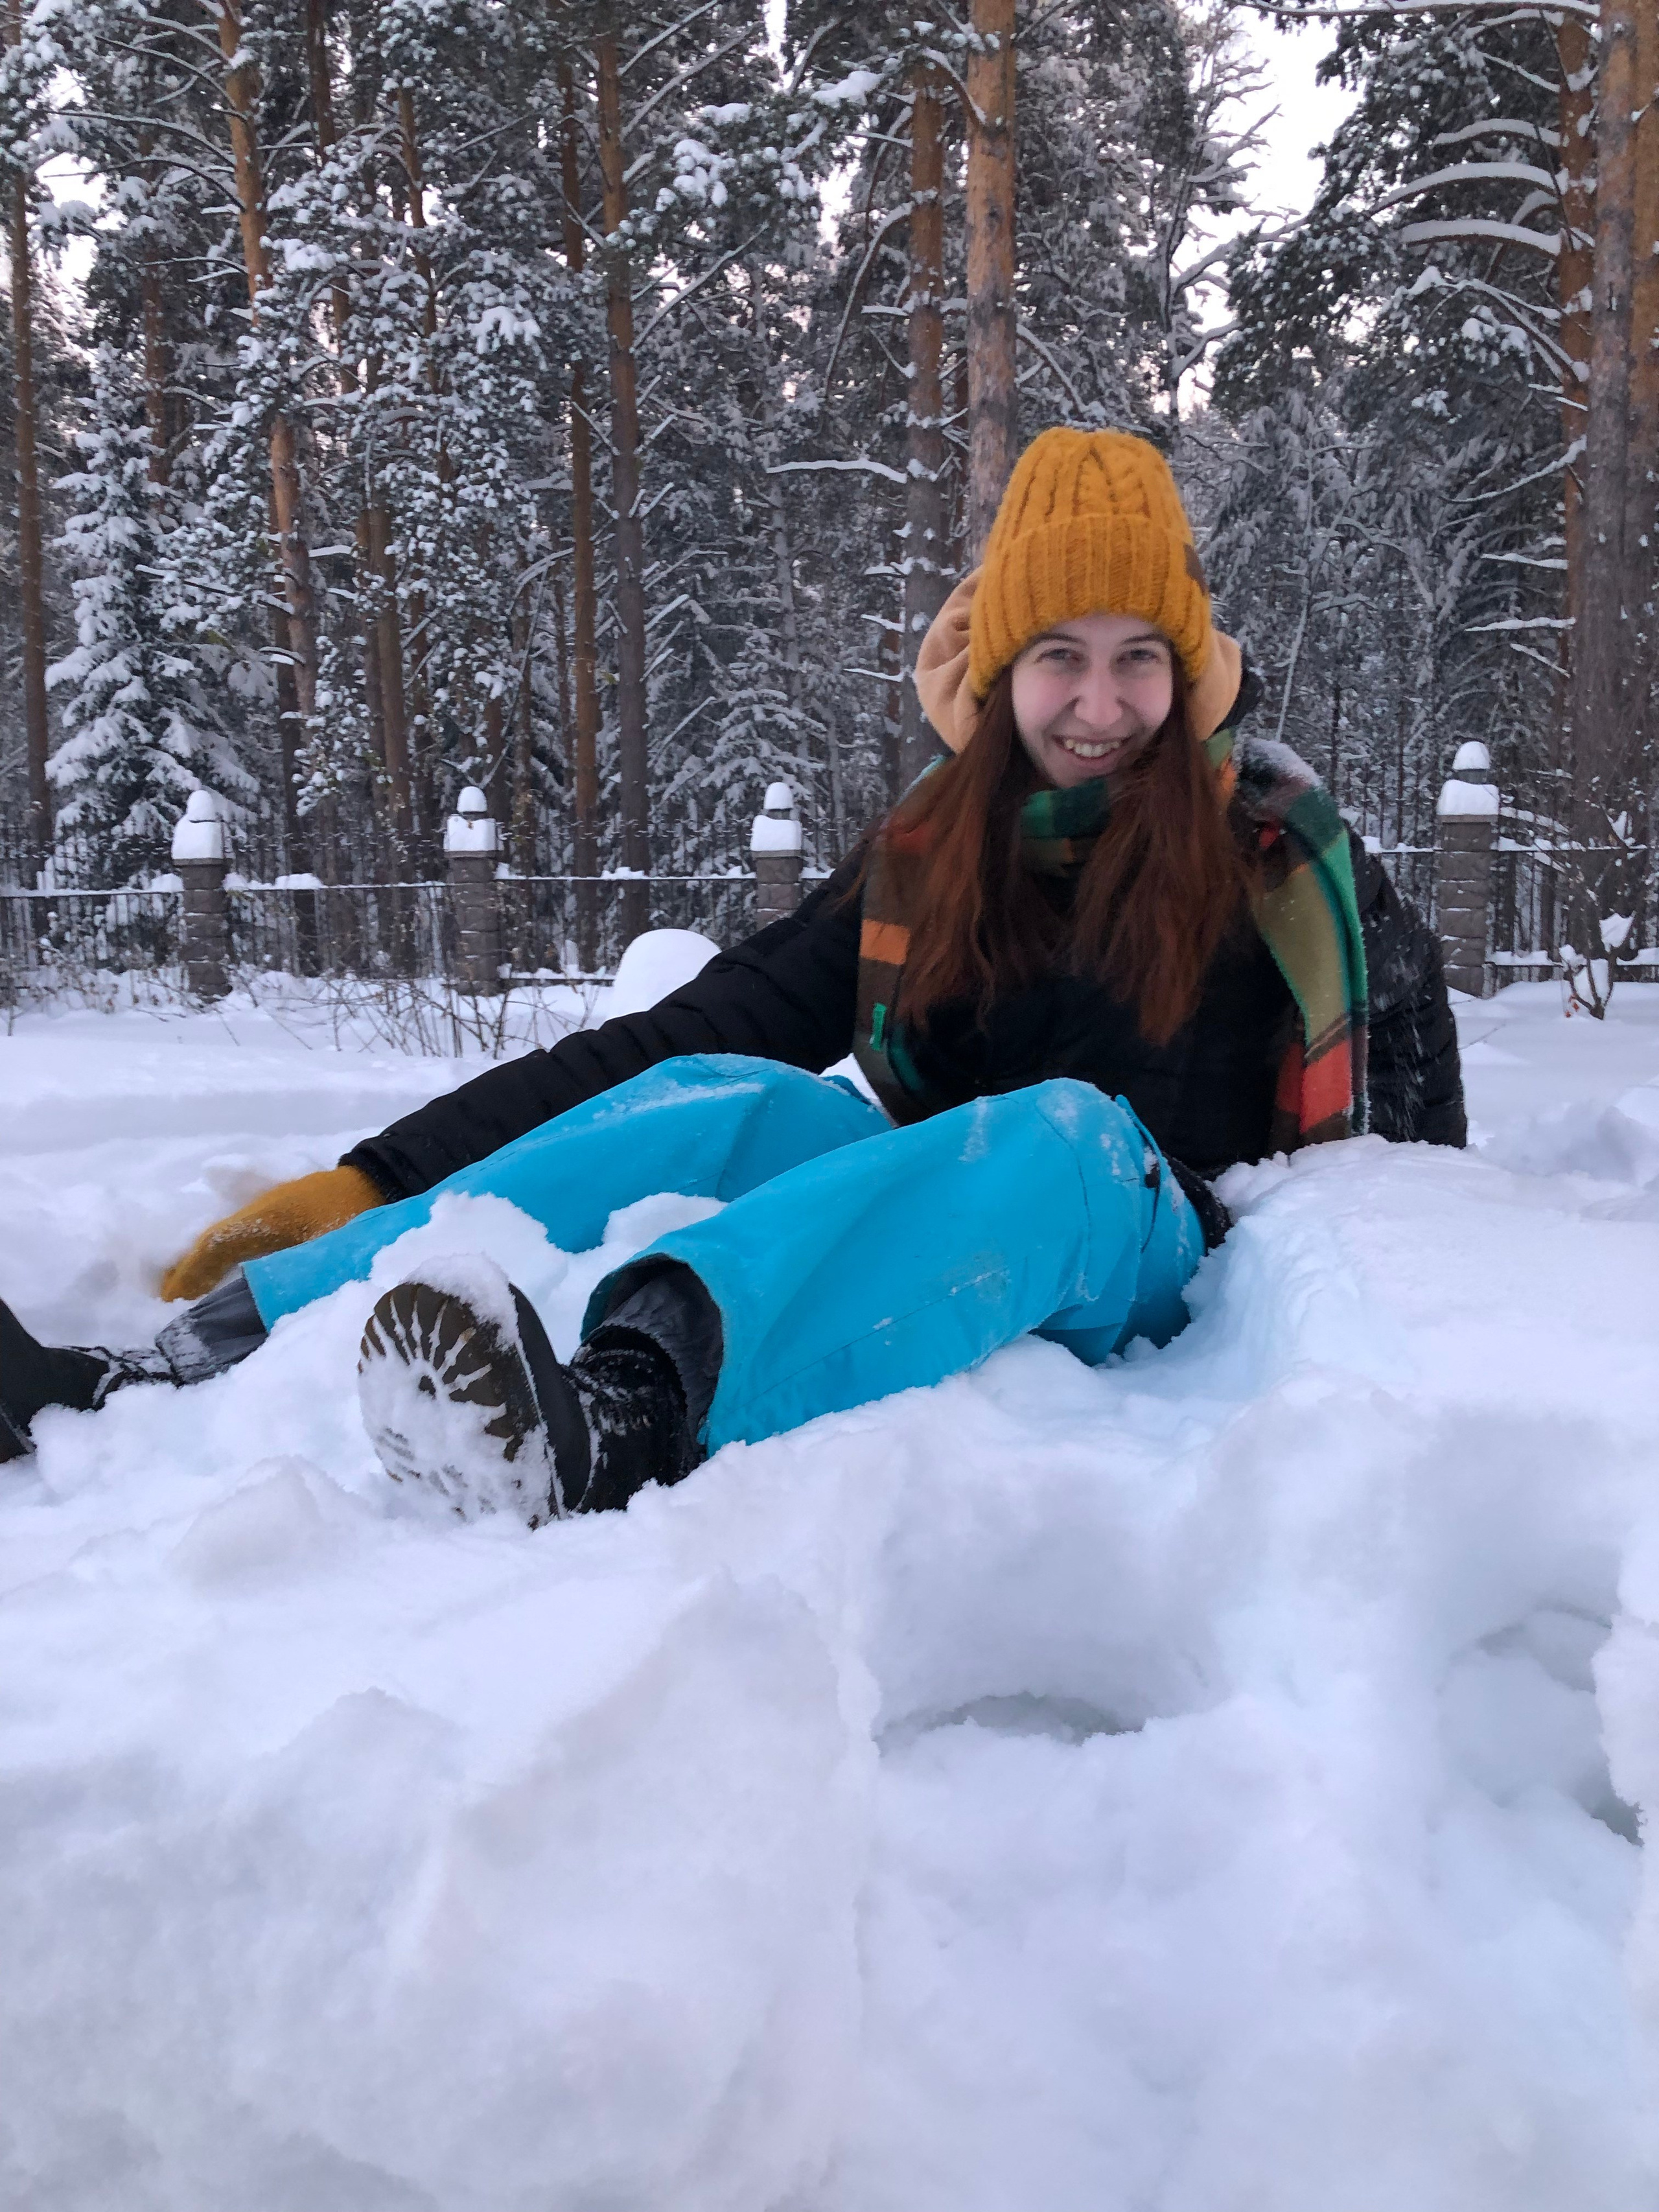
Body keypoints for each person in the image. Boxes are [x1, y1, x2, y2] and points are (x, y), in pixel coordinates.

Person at [0, 428, 1464, 1519]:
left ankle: (625, 1412)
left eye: (1137, 658)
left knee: (1066, 1128)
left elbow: (1421, 1168)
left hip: (1160, 1247)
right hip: (954, 1210)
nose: (1099, 704)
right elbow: (689, 1031)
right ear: (1000, 671)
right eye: (1058, 658)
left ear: (1186, 669)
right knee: (743, 1093)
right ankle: (178, 1365)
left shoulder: (1279, 854)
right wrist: (375, 1175)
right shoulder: (934, 853)